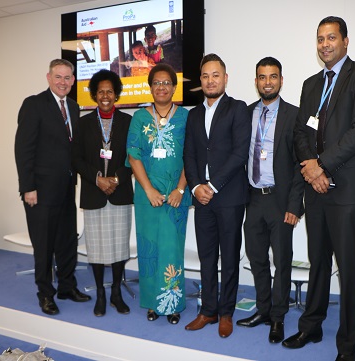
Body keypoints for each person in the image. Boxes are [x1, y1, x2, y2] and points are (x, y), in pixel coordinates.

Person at [283, 16, 355, 361]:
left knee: (349, 267)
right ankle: (311, 326)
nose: (325, 44)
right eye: (320, 39)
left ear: (346, 41)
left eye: (331, 38)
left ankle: (348, 345)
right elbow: (299, 133)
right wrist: (311, 170)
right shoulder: (311, 84)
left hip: (348, 188)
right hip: (316, 188)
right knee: (317, 261)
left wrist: (321, 165)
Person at [14, 59, 91, 316]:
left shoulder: (73, 106)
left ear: (73, 80)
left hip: (68, 188)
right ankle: (46, 294)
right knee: (44, 246)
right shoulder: (34, 104)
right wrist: (28, 187)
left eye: (68, 78)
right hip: (41, 191)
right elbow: (23, 150)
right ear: (48, 77)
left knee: (67, 241)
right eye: (58, 77)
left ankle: (68, 287)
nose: (63, 82)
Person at [236, 57, 304, 344]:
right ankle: (263, 310)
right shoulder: (246, 114)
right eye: (262, 77)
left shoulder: (295, 115)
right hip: (252, 199)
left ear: (281, 80)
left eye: (272, 77)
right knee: (257, 259)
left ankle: (278, 317)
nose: (267, 82)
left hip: (279, 200)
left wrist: (294, 206)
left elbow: (303, 164)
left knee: (283, 261)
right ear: (256, 81)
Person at [183, 53, 251, 338]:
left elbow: (240, 153)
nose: (210, 80)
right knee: (207, 256)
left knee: (230, 258)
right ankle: (208, 310)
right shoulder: (194, 114)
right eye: (205, 76)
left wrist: (213, 186)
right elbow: (190, 153)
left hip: (229, 197)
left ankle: (226, 313)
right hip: (202, 199)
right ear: (200, 81)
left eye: (216, 75)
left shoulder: (238, 108)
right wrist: (197, 186)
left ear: (225, 78)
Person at [127, 63, 190, 325]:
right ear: (150, 87)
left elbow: (192, 156)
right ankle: (153, 303)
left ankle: (172, 304)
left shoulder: (186, 117)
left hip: (176, 196)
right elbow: (133, 155)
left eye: (166, 83)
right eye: (157, 83)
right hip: (146, 196)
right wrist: (149, 189)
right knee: (149, 249)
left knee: (171, 249)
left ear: (174, 88)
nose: (162, 87)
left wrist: (180, 189)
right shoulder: (140, 117)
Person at [72, 69, 134, 317]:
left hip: (119, 193)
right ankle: (100, 293)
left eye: (110, 91)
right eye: (101, 91)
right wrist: (98, 179)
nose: (105, 95)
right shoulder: (83, 122)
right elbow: (75, 158)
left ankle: (116, 293)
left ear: (116, 95)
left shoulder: (128, 122)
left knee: (119, 246)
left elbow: (133, 156)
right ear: (94, 95)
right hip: (94, 192)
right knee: (96, 248)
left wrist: (116, 178)